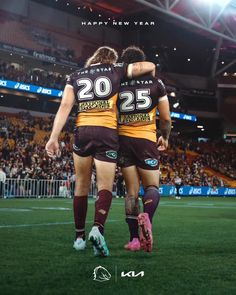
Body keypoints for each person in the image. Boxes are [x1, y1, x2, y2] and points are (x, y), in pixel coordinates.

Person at [45, 46, 156, 257]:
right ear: (111, 60)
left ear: (93, 58)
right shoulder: (116, 70)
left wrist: (53, 137)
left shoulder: (75, 75)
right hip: (107, 132)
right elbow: (150, 66)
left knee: (81, 185)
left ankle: (79, 238)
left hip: (83, 131)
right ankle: (98, 229)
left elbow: (65, 106)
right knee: (105, 186)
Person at [117, 46, 171, 252]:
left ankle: (133, 240)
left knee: (131, 193)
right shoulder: (156, 83)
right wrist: (164, 137)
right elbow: (165, 118)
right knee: (152, 187)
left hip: (123, 141)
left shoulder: (118, 82)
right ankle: (147, 216)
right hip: (146, 140)